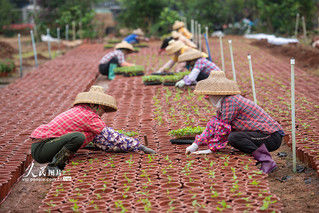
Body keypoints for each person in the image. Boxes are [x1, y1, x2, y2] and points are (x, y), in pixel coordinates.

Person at [30, 86, 155, 176]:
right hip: (42, 148)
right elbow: (111, 136)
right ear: (96, 106)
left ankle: (57, 161)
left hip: (43, 146)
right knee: (78, 137)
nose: (103, 114)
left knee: (86, 137)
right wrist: (139, 146)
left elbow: (100, 139)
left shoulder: (80, 111)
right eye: (103, 110)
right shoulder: (89, 116)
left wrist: (118, 148)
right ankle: (54, 166)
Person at [185, 71, 284, 173]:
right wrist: (195, 145)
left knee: (234, 138)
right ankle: (256, 158)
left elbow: (222, 128)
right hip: (261, 134)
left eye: (209, 95)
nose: (208, 98)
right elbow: (213, 125)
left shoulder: (230, 101)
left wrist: (212, 149)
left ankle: (267, 161)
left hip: (271, 136)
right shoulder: (224, 103)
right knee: (234, 136)